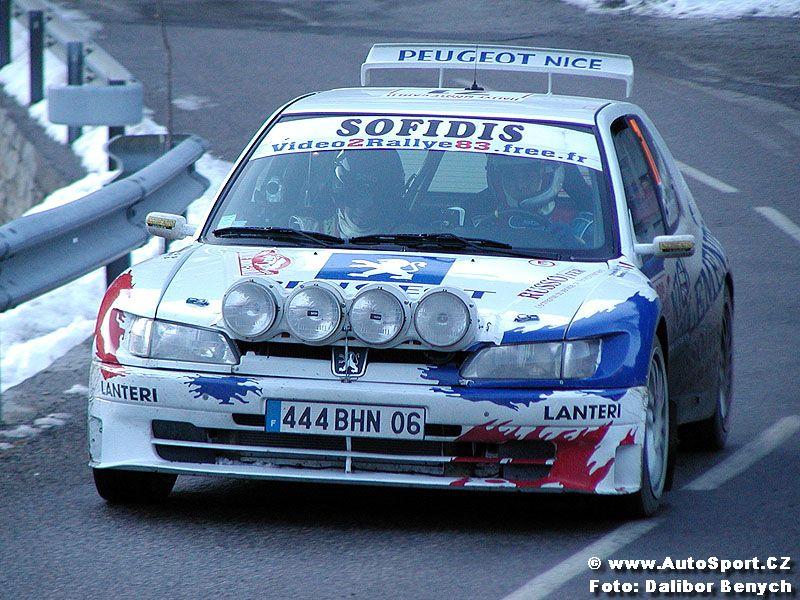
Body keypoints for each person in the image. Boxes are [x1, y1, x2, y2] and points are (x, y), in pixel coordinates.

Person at [330, 149, 406, 237]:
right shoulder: (316, 232)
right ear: (341, 194)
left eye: (376, 199)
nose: (363, 207)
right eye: (356, 196)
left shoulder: (409, 236)